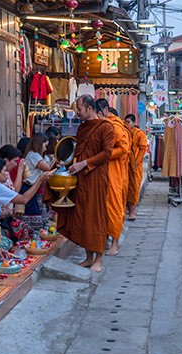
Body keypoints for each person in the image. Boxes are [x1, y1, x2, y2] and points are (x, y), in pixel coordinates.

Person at [59, 94, 115, 272]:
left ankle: (99, 258)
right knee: (82, 216)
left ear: (89, 109)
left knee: (96, 216)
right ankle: (88, 256)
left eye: (79, 109)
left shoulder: (106, 127)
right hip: (81, 177)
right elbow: (79, 149)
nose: (77, 113)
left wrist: (84, 163)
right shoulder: (83, 128)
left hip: (96, 177)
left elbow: (106, 153)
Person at [0, 158, 54, 248]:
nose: (7, 173)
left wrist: (8, 213)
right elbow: (23, 199)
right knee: (7, 244)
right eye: (5, 170)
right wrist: (40, 180)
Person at [96, 99, 131, 256]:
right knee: (102, 209)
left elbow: (124, 148)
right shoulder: (103, 125)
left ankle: (115, 244)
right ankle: (103, 240)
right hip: (102, 173)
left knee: (114, 207)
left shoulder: (115, 126)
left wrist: (106, 155)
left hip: (115, 173)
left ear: (103, 111)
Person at [22, 133, 54, 217]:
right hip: (29, 187)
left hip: (31, 187)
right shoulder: (34, 155)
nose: (45, 148)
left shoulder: (32, 155)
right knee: (33, 213)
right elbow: (48, 168)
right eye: (45, 145)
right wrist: (57, 159)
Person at [125, 114, 149, 221]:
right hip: (124, 165)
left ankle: (132, 211)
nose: (126, 124)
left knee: (133, 189)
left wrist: (136, 162)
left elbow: (143, 148)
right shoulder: (124, 133)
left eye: (128, 122)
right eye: (125, 122)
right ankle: (126, 209)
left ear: (133, 123)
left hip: (135, 166)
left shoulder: (139, 134)